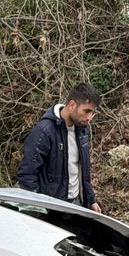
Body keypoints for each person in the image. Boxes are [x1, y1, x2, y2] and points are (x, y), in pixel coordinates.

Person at [16, 83, 102, 213]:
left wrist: (91, 199)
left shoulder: (82, 130)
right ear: (72, 105)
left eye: (92, 112)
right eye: (87, 111)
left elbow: (82, 170)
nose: (89, 117)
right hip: (52, 208)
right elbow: (27, 174)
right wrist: (38, 209)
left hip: (77, 204)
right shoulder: (44, 131)